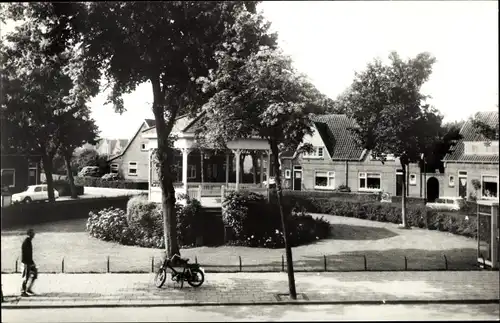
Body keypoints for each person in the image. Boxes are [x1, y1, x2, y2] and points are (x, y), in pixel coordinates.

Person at [21, 229, 37, 296]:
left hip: (29, 262)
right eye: (33, 233)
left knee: (35, 274)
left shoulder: (29, 241)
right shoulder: (26, 242)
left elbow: (29, 254)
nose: (34, 234)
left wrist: (32, 263)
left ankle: (28, 288)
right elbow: (26, 254)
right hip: (26, 262)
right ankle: (23, 291)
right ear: (29, 234)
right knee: (26, 277)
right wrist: (29, 264)